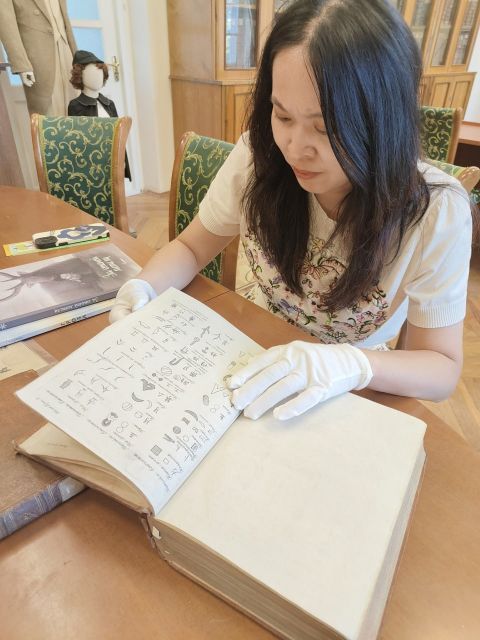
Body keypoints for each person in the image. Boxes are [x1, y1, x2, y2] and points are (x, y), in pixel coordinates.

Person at [109, 0, 474, 421]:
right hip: (247, 353)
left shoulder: (436, 212)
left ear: (383, 120)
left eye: (325, 127)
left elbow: (441, 369)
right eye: (282, 116)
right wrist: (144, 287)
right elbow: (192, 248)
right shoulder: (259, 157)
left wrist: (350, 364)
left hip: (345, 389)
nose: (295, 148)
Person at [0, 0, 77, 115]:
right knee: (48, 116)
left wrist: (77, 56)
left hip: (67, 51)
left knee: (76, 110)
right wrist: (21, 65)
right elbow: (7, 25)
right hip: (39, 55)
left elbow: (64, 18)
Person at [68, 50, 131, 180]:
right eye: (91, 74)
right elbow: (77, 142)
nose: (97, 78)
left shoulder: (109, 104)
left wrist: (122, 159)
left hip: (113, 158)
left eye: (100, 73)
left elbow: (119, 135)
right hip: (93, 165)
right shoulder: (76, 106)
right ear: (80, 76)